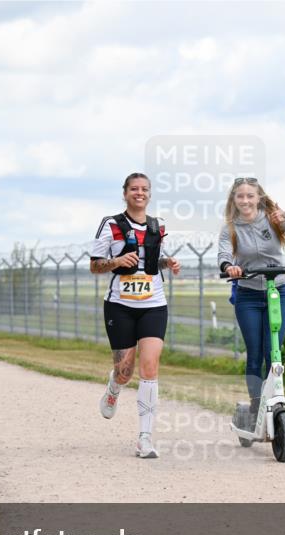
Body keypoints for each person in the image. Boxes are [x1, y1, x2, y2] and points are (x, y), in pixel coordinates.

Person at [89, 173, 181, 459]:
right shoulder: (111, 224)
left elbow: (152, 261)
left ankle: (145, 437)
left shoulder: (157, 226)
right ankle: (115, 386)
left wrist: (169, 262)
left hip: (153, 303)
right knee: (125, 371)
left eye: (144, 189)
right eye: (134, 189)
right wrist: (117, 261)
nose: (139, 193)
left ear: (150, 194)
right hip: (120, 305)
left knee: (150, 366)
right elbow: (94, 266)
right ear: (125, 193)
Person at [217, 177, 285, 427]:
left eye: (250, 196)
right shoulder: (230, 228)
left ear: (258, 197)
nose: (245, 200)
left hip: (278, 290)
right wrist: (230, 267)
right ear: (234, 199)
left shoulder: (273, 219)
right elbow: (224, 255)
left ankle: (276, 400)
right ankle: (257, 405)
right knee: (255, 355)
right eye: (240, 196)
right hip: (248, 295)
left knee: (274, 353)